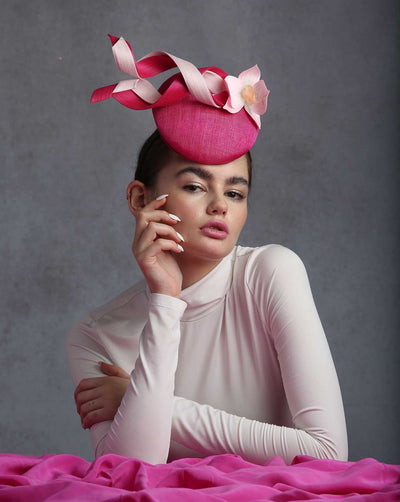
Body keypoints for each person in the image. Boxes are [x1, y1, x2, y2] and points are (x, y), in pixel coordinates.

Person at [66, 36, 348, 465]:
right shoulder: (94, 337)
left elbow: (328, 453)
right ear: (141, 199)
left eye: (235, 193)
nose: (219, 205)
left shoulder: (271, 272)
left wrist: (150, 403)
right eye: (195, 186)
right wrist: (164, 298)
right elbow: (127, 477)